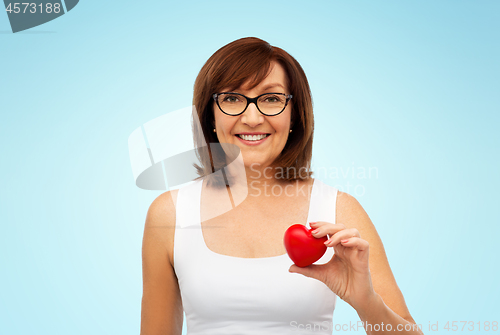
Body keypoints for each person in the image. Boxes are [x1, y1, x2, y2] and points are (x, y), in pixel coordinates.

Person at [140, 37, 424, 335]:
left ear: (294, 115)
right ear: (210, 114)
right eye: (232, 98)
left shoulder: (340, 212)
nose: (252, 118)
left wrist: (366, 301)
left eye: (272, 99)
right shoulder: (170, 214)